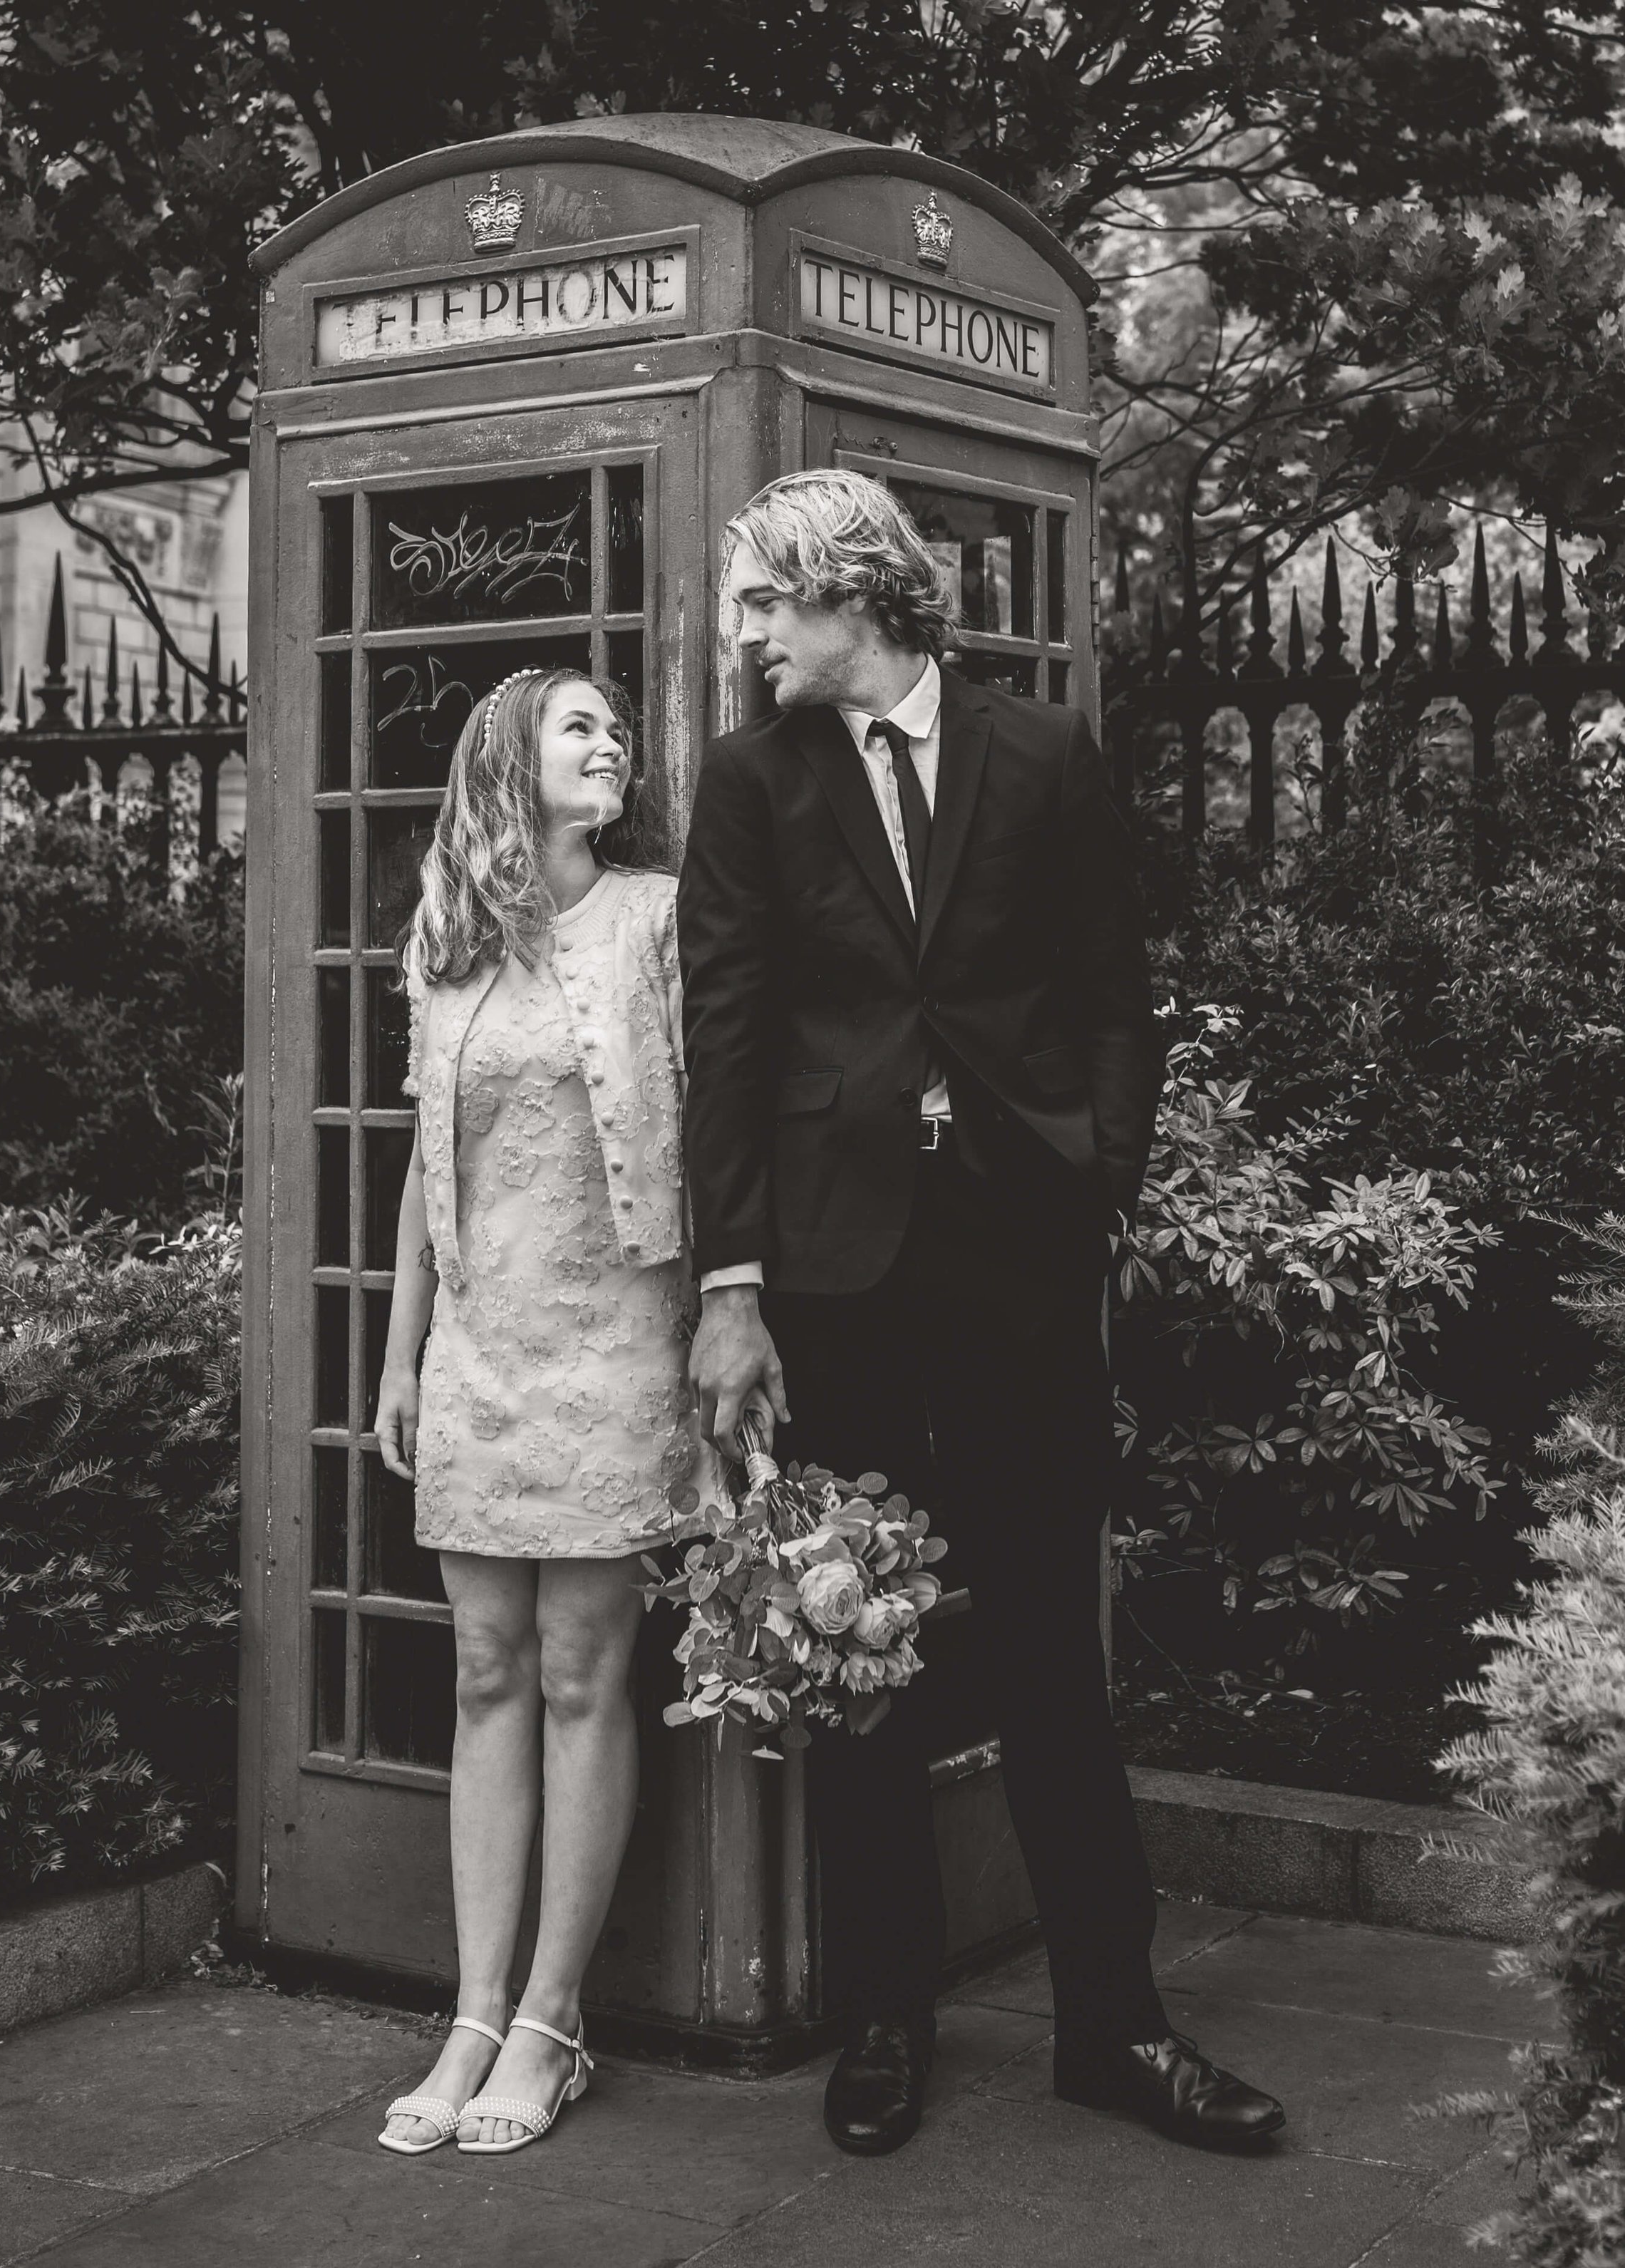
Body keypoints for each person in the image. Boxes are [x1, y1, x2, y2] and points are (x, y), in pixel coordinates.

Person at [678, 468, 1284, 2158]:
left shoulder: (1038, 753)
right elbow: (721, 1039)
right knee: (855, 1643)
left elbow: (1112, 990)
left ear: (849, 595)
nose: (740, 639)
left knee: (1045, 1650)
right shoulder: (751, 782)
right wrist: (730, 1290)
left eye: (758, 606)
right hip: (835, 1275)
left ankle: (1117, 2024)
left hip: (1018, 1258)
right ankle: (883, 2015)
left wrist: (1094, 1177)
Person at [372, 665, 708, 2160]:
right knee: (484, 1673)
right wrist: (397, 1356)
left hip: (618, 1335)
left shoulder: (654, 918)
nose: (610, 741)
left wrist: (730, 1317)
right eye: (579, 725)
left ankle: (550, 2019)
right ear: (510, 761)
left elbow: (717, 1116)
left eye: (614, 726)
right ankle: (469, 2008)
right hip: (480, 1352)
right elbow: (415, 1166)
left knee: (583, 1675)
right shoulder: (444, 942)